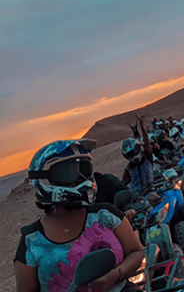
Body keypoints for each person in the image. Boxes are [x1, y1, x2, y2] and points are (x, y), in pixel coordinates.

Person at [15, 139, 144, 292]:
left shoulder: (106, 215)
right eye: (69, 173)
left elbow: (137, 252)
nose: (83, 179)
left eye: (85, 170)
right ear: (44, 180)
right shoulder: (31, 242)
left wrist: (116, 275)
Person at [121, 114, 154, 195]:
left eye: (133, 151)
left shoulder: (146, 156)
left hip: (152, 193)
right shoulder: (129, 167)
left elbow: (146, 142)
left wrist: (142, 125)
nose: (133, 155)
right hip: (138, 198)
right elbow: (122, 183)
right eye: (130, 154)